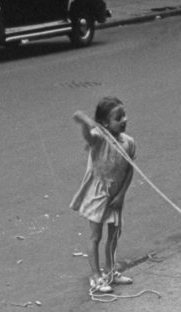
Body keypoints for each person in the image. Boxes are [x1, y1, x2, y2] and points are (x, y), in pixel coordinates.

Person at [70, 96, 136, 295]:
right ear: (106, 123)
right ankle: (96, 276)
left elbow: (129, 170)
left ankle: (110, 270)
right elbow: (89, 137)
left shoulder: (129, 143)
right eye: (118, 117)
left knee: (114, 233)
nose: (124, 120)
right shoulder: (99, 139)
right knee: (96, 235)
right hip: (98, 194)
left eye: (124, 115)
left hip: (116, 194)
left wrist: (122, 195)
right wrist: (84, 122)